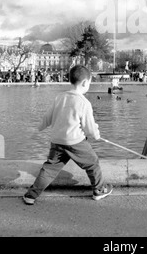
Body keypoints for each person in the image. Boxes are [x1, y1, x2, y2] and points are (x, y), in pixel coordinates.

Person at [23, 65, 112, 205]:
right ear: (85, 83)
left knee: (49, 169)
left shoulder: (60, 97)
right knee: (93, 163)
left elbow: (48, 117)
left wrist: (37, 129)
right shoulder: (84, 103)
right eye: (89, 83)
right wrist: (96, 135)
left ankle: (31, 195)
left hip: (57, 140)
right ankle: (99, 190)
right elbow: (89, 128)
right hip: (75, 141)